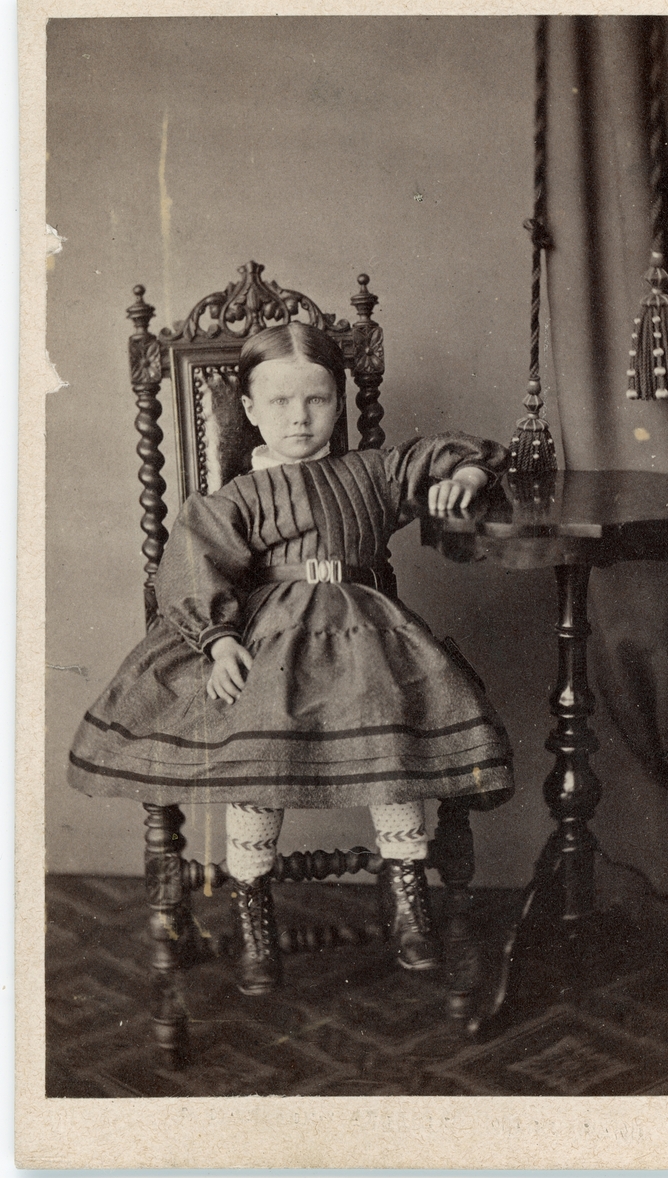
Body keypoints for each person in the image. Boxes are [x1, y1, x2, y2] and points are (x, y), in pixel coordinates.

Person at [69, 322, 514, 996]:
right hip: (271, 646)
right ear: (249, 409)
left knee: (392, 740)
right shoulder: (234, 499)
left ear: (338, 401)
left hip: (367, 641)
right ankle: (255, 916)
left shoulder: (372, 473)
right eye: (279, 402)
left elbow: (438, 455)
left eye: (317, 400)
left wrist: (469, 472)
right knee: (255, 753)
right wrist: (220, 640)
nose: (300, 418)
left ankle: (407, 899)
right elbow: (193, 567)